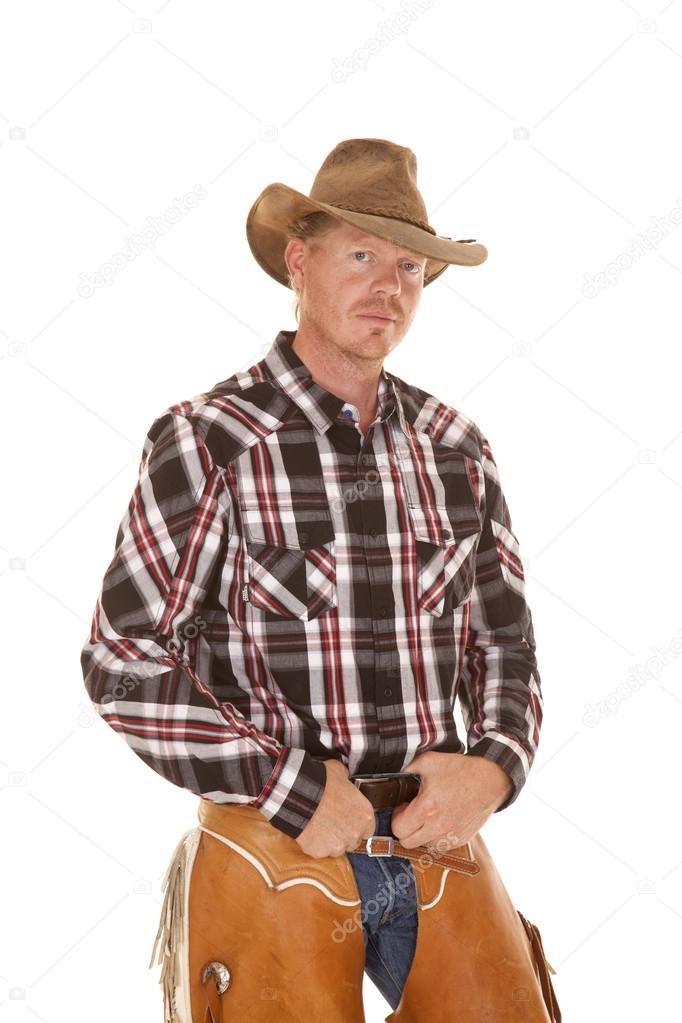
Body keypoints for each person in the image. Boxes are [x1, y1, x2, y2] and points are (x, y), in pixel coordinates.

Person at [81, 138, 552, 1022]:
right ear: (299, 261)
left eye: (410, 265)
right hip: (273, 843)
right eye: (363, 255)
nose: (390, 287)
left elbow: (505, 643)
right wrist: (289, 785)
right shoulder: (209, 440)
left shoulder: (456, 448)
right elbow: (124, 662)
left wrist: (492, 768)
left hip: (435, 841)